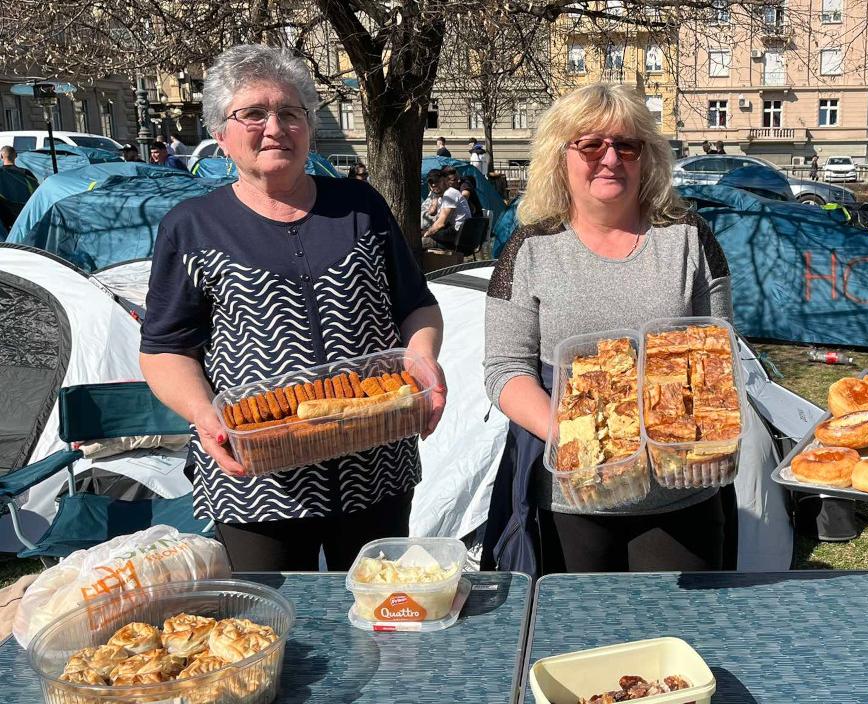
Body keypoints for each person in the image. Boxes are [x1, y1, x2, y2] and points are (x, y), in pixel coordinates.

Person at [139, 44, 447, 572]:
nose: (274, 126)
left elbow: (416, 305)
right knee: (277, 630)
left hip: (374, 462)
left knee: (382, 612)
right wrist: (205, 415)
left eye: (290, 111)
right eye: (253, 113)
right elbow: (165, 349)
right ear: (220, 133)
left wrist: (422, 358)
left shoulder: (361, 206)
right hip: (256, 477)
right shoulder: (192, 226)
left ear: (307, 125)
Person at [482, 82, 733, 576]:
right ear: (561, 156)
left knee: (675, 641)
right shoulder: (529, 248)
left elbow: (715, 360)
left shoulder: (690, 238)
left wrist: (705, 443)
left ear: (647, 157)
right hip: (573, 493)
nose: (610, 159)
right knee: (581, 642)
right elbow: (504, 369)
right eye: (591, 144)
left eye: (627, 145)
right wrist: (575, 438)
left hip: (679, 489)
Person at [420, 169, 471, 248]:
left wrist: (426, 234)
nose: (434, 185)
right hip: (458, 237)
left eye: (437, 182)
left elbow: (440, 224)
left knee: (414, 244)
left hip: (458, 239)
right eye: (431, 183)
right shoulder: (444, 196)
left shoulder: (450, 194)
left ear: (445, 180)